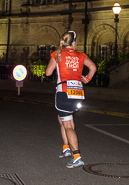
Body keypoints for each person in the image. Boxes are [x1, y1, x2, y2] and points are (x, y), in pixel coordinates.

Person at [45, 31, 96, 168]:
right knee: (64, 119)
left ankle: (77, 156)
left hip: (64, 92)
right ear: (73, 42)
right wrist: (87, 78)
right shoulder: (81, 55)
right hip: (78, 92)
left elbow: (48, 73)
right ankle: (66, 148)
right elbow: (93, 67)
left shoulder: (58, 53)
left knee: (68, 125)